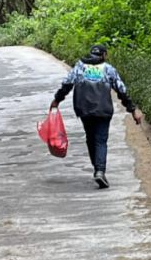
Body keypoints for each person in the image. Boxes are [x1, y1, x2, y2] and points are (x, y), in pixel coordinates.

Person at [49, 44, 142, 188]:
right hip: (103, 109)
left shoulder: (80, 67)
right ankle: (99, 170)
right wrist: (133, 110)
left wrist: (56, 100)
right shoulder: (108, 69)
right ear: (104, 55)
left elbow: (66, 84)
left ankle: (97, 168)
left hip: (84, 109)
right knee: (101, 140)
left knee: (90, 138)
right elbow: (121, 90)